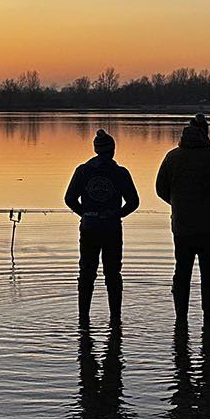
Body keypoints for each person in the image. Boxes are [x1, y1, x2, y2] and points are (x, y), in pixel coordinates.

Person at [154, 114, 210, 324]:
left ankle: (180, 320)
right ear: (205, 133)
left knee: (182, 272)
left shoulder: (172, 157)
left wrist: (178, 205)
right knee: (209, 274)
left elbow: (160, 189)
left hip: (182, 228)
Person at [64, 128, 140, 324]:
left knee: (86, 273)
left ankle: (83, 319)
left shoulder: (82, 171)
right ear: (112, 150)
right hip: (111, 228)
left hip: (89, 227)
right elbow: (134, 202)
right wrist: (116, 215)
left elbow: (69, 198)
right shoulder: (120, 173)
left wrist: (87, 215)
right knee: (113, 273)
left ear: (95, 150)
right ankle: (115, 319)